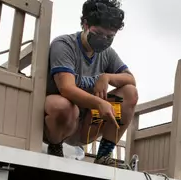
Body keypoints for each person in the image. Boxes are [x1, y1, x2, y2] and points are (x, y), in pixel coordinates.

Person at [44, 0, 138, 169]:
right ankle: (55, 148)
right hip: (61, 122)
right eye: (99, 33)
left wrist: (107, 77)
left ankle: (103, 156)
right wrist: (98, 102)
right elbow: (66, 88)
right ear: (86, 24)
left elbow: (130, 79)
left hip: (88, 126)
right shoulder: (64, 45)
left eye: (110, 37)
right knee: (63, 105)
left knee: (130, 92)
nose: (104, 40)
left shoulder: (107, 54)